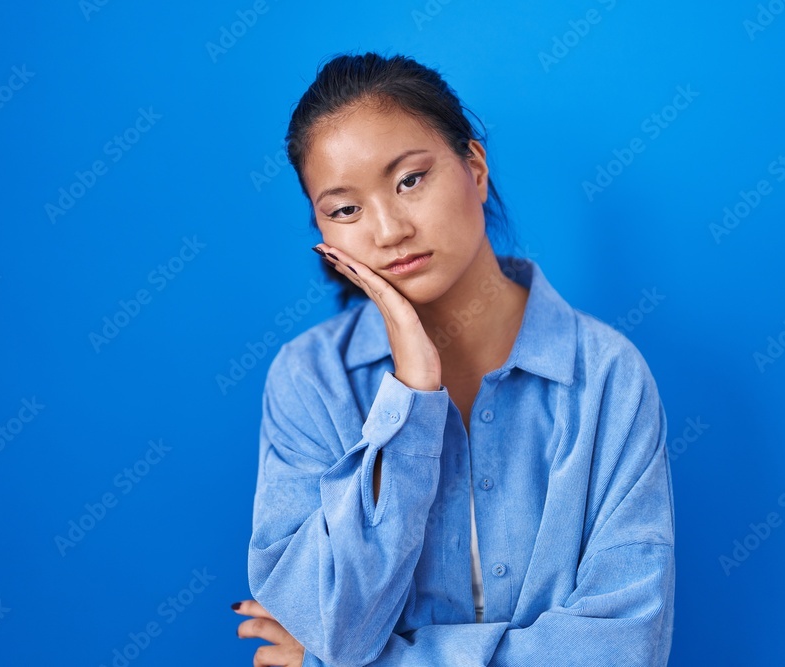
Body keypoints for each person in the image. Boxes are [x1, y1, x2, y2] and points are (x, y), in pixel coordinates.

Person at [232, 52, 675, 667]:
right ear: (324, 235)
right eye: (345, 209)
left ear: (475, 169)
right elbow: (337, 625)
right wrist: (411, 396)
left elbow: (624, 651)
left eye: (409, 179)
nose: (388, 230)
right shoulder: (310, 381)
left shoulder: (604, 376)